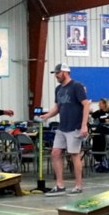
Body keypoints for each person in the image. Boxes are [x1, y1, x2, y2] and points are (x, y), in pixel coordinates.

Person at [41, 63, 90, 195]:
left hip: (75, 127)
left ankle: (78, 186)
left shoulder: (76, 86)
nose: (56, 76)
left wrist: (84, 125)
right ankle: (60, 185)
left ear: (65, 72)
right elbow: (57, 108)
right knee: (55, 153)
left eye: (57, 73)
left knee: (74, 154)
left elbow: (86, 105)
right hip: (62, 127)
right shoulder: (58, 89)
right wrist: (45, 116)